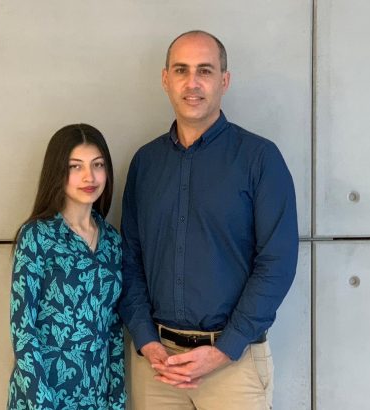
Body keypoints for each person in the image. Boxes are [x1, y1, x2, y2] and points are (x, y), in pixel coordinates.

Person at [119, 30, 298, 410]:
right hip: (157, 368)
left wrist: (224, 349)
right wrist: (145, 339)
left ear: (224, 80)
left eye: (205, 70)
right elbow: (130, 259)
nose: (192, 82)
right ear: (165, 79)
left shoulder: (260, 159)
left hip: (233, 366)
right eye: (181, 70)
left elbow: (277, 263)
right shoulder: (145, 164)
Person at [7, 124, 126, 410]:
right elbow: (23, 330)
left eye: (98, 165)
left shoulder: (112, 241)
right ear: (58, 172)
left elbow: (113, 330)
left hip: (97, 398)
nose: (89, 176)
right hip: (42, 397)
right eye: (76, 166)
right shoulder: (37, 236)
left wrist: (117, 400)